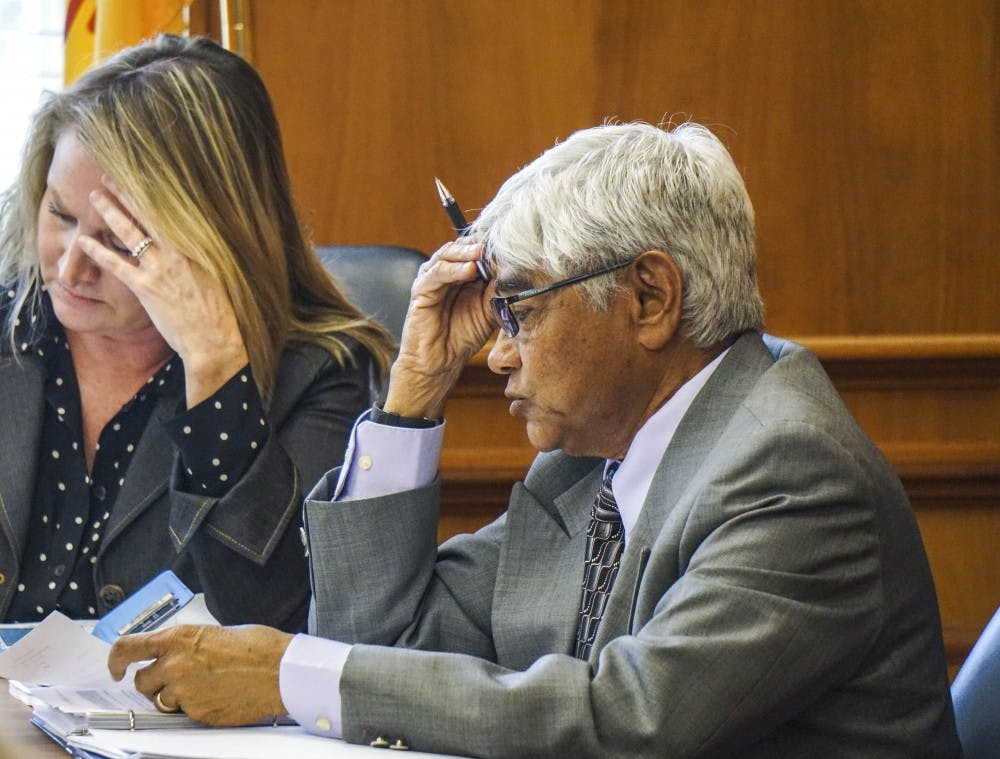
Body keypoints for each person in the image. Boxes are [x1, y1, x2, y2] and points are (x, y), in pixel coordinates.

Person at [108, 122, 961, 756]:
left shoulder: (792, 471)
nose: (496, 351)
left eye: (519, 308)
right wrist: (411, 395)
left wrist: (288, 672)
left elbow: (627, 721)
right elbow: (381, 641)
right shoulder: (591, 458)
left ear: (651, 298)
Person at [0, 35, 395, 632]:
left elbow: (272, 623)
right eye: (60, 215)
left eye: (116, 242)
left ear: (214, 235)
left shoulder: (319, 377)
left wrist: (215, 371)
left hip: (163, 722)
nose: (71, 268)